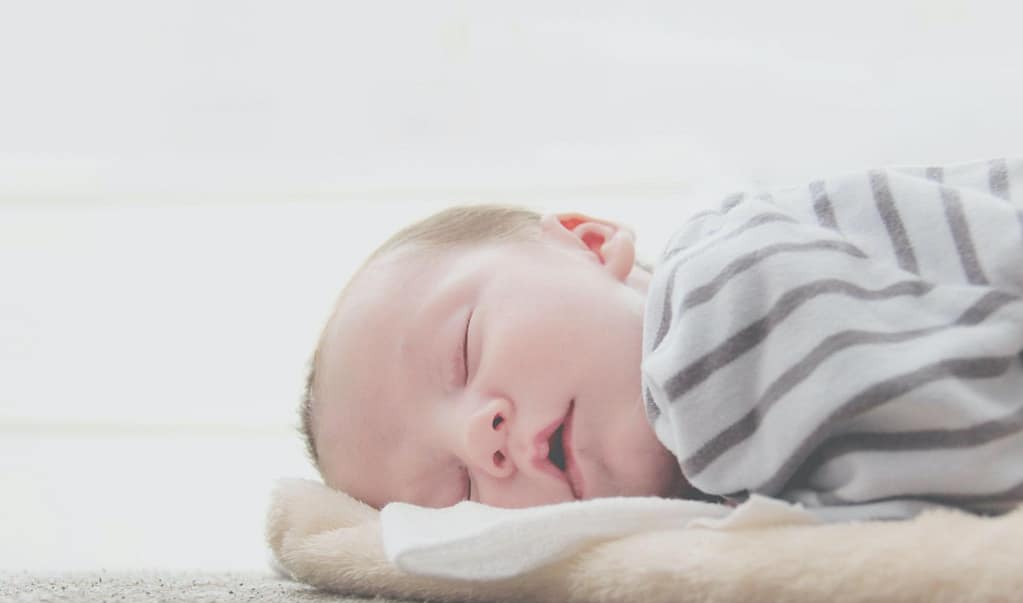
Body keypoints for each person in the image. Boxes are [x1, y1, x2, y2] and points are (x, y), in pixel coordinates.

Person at [300, 157, 1023, 522]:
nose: (476, 438)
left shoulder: (710, 311)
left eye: (462, 348)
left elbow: (986, 438)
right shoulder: (706, 480)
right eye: (455, 495)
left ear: (587, 242)